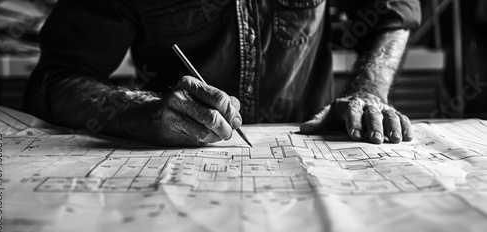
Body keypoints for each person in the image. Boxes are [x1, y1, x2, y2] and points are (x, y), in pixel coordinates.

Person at [24, 0, 421, 146]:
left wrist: (368, 90)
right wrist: (137, 111)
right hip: (172, 167)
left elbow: (393, 11)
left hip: (315, 148)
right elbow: (57, 78)